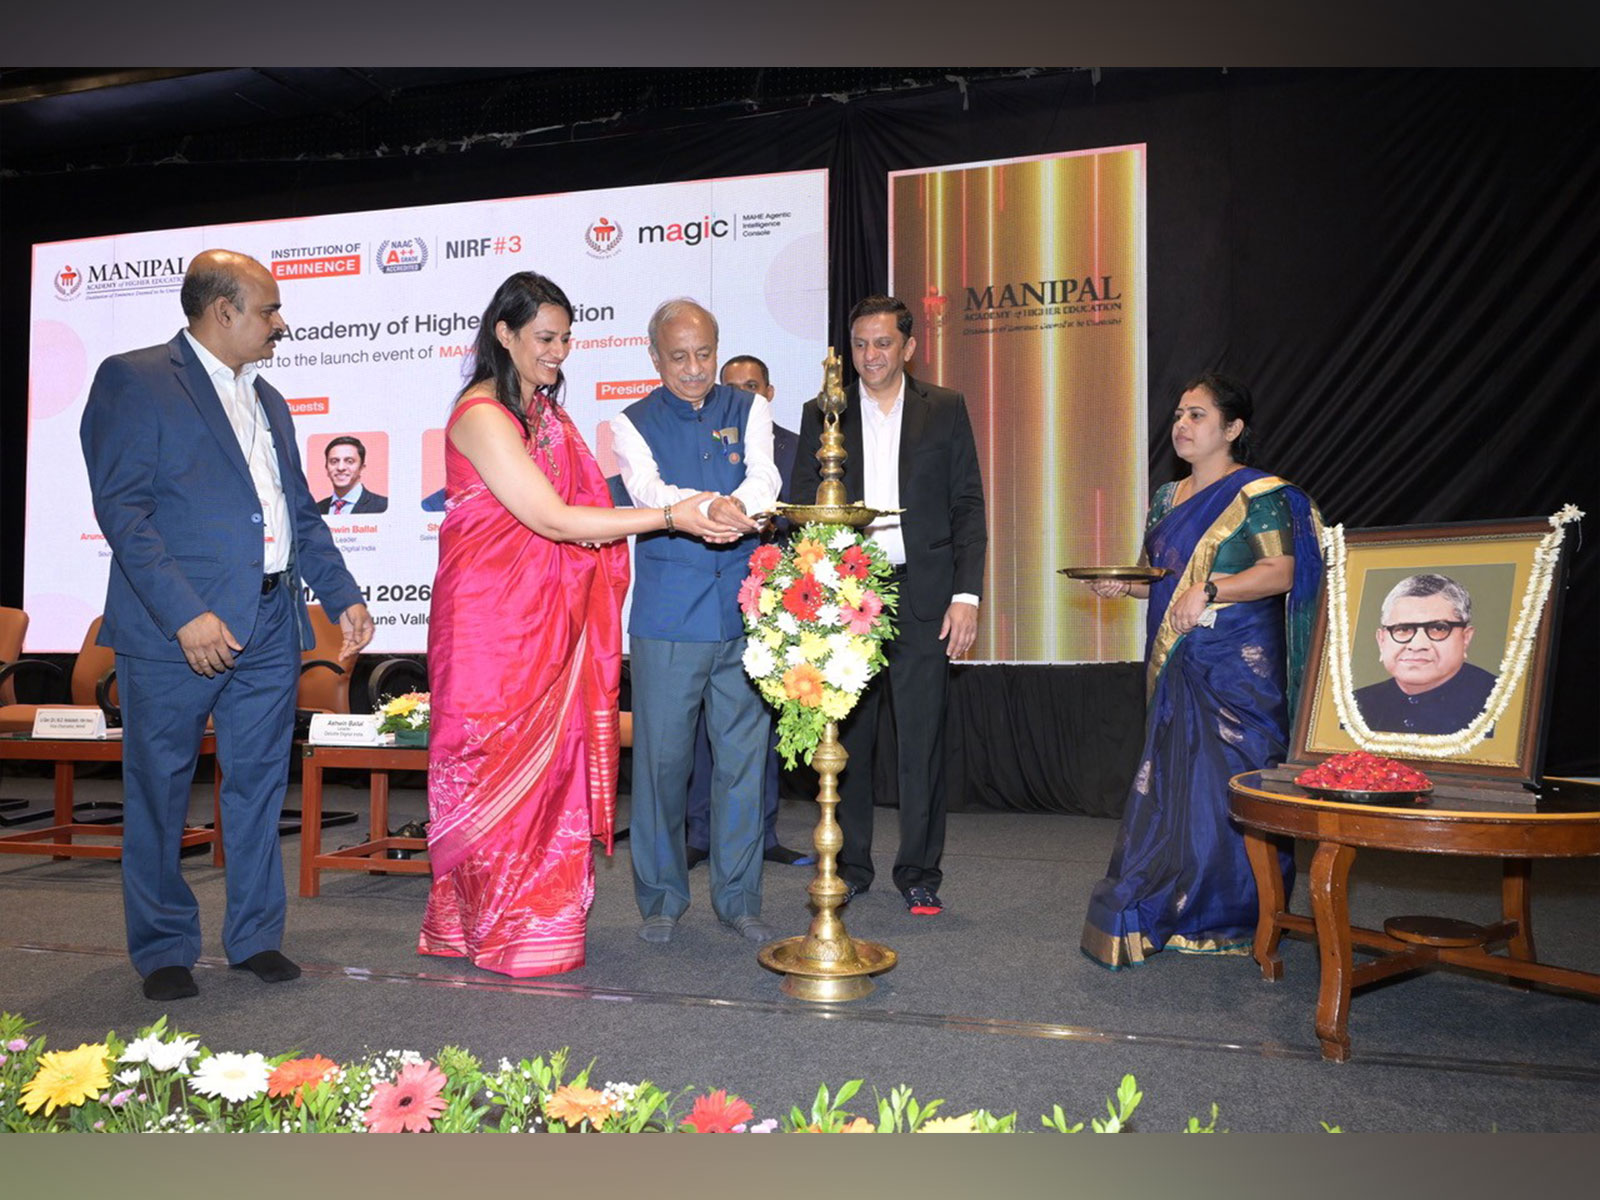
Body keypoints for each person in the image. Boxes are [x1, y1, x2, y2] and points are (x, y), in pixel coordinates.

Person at [421, 272, 737, 978]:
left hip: (548, 626)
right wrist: (668, 515)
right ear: (503, 334)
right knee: (488, 770)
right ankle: (490, 923)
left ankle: (534, 924)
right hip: (488, 631)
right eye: (544, 337)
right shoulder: (483, 414)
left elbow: (577, 517)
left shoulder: (548, 416)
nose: (559, 352)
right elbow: (553, 519)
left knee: (549, 778)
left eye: (566, 338)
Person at [79, 248, 375, 1001]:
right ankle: (164, 949)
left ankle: (252, 938)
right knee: (161, 787)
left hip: (273, 623)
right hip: (178, 630)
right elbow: (124, 511)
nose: (281, 323)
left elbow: (296, 513)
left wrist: (340, 593)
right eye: (270, 309)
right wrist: (186, 614)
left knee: (255, 785)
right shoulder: (134, 378)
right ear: (223, 312)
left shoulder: (268, 397)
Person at [1079, 372, 1323, 970]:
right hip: (1179, 663)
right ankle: (1173, 902)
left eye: (1197, 416)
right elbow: (1159, 583)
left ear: (1232, 429)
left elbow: (1283, 573)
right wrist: (1124, 585)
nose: (1182, 426)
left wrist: (1214, 588)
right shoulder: (1168, 497)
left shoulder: (1260, 496)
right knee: (1174, 785)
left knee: (1233, 788)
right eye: (1179, 415)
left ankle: (1238, 916)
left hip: (1240, 669)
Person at [790, 294, 987, 917]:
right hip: (849, 595)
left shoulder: (946, 408)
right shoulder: (823, 411)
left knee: (922, 740)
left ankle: (920, 871)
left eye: (882, 343)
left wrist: (966, 594)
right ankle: (850, 865)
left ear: (908, 346)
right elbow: (802, 507)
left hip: (925, 594)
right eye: (860, 344)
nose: (870, 356)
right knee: (848, 737)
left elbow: (968, 507)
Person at [609, 299, 783, 944]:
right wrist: (709, 505)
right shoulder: (629, 422)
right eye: (678, 357)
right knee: (661, 766)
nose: (693, 369)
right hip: (667, 620)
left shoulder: (749, 407)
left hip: (743, 613)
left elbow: (764, 472)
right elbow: (649, 493)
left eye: (704, 354)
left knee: (743, 765)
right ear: (654, 358)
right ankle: (660, 899)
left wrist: (745, 502)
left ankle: (740, 899)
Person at [685, 354, 811, 870]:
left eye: (752, 385)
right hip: (709, 601)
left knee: (759, 725)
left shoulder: (796, 449)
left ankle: (762, 833)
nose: (743, 394)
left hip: (771, 607)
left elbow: (803, 523)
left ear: (770, 391)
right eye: (732, 386)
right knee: (702, 729)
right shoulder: (704, 439)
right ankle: (699, 833)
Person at [1353, 574, 1497, 735]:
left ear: (1466, 638)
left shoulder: (1500, 701)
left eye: (1438, 628)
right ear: (1381, 641)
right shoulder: (1354, 705)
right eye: (1403, 629)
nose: (1417, 645)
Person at [316, 435, 388, 513]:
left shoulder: (384, 507)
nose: (341, 468)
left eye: (349, 461)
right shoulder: (315, 509)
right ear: (326, 468)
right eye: (334, 461)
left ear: (361, 468)